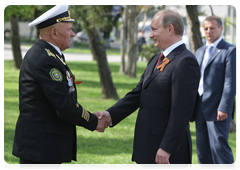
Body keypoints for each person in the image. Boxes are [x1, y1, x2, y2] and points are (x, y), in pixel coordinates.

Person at [95, 9, 200, 169]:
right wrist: (111, 115)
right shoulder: (156, 59)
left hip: (167, 153)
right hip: (151, 146)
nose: (150, 35)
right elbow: (138, 94)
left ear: (170, 29)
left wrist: (167, 147)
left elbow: (182, 111)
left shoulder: (185, 61)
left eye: (154, 29)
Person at [12, 5, 110, 169]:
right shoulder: (46, 59)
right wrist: (94, 121)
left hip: (41, 146)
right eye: (70, 29)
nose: (73, 33)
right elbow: (64, 105)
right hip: (40, 148)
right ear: (54, 33)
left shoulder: (46, 53)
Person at [193, 15, 238, 169]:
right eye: (206, 28)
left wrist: (224, 107)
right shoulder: (199, 51)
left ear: (221, 28)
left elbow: (231, 82)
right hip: (199, 108)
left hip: (218, 109)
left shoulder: (230, 51)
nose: (208, 31)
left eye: (212, 28)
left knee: (219, 148)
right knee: (202, 151)